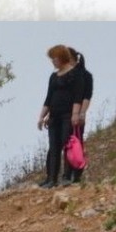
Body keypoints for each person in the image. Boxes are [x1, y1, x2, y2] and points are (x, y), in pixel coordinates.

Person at [36, 44, 81, 189]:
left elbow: (77, 97)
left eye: (54, 58)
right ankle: (51, 178)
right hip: (54, 116)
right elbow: (48, 98)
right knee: (53, 147)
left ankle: (67, 176)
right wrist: (42, 116)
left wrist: (75, 114)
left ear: (62, 57)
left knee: (67, 145)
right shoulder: (53, 77)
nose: (53, 62)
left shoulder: (75, 74)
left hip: (68, 115)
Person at [63, 48, 94, 186]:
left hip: (77, 115)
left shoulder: (85, 75)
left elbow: (87, 96)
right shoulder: (66, 75)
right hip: (64, 114)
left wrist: (82, 113)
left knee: (77, 143)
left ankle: (76, 175)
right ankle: (67, 175)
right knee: (67, 144)